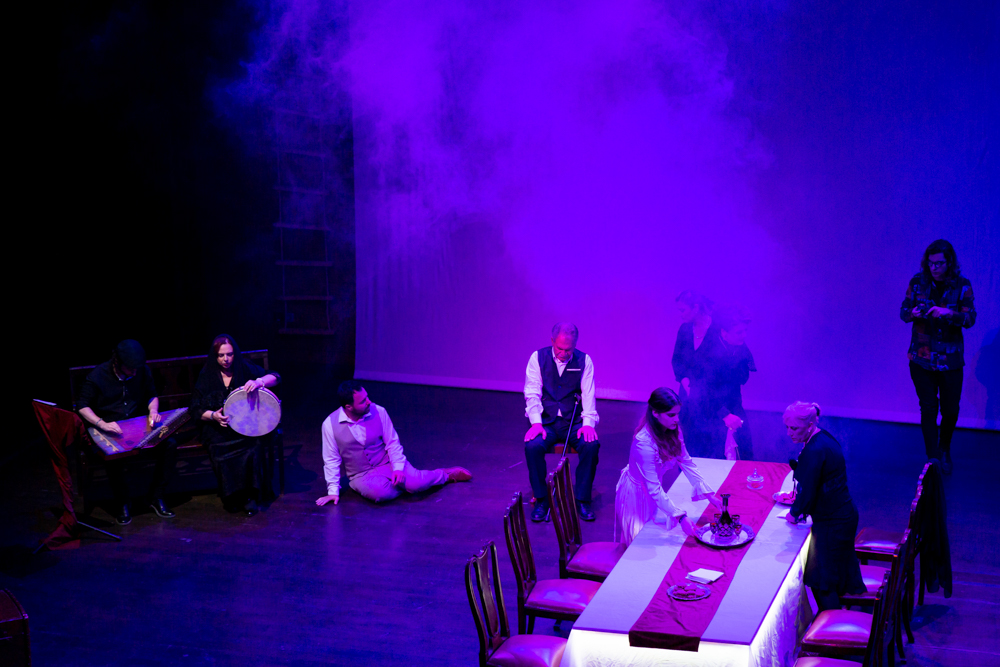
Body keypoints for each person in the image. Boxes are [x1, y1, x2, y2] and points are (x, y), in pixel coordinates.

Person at [316, 381, 472, 505]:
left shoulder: (379, 411)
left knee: (416, 483)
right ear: (349, 407)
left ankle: (444, 475)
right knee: (380, 495)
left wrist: (397, 468)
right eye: (363, 401)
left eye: (367, 397)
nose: (369, 402)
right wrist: (333, 492)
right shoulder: (330, 425)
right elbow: (331, 459)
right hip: (361, 475)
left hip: (387, 463)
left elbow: (392, 443)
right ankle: (409, 486)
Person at [77, 339, 179, 525]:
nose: (135, 372)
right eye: (131, 368)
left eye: (137, 368)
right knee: (114, 454)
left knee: (169, 445)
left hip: (137, 426)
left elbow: (151, 394)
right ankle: (123, 502)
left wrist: (153, 411)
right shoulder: (98, 375)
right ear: (118, 362)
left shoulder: (141, 370)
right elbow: (82, 406)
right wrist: (102, 424)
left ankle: (155, 496)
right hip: (110, 428)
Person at [900, 239, 976, 474]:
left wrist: (949, 313)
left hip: (950, 361)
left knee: (950, 410)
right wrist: (912, 313)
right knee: (928, 408)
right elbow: (903, 311)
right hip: (921, 358)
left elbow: (970, 319)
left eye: (939, 263)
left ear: (949, 262)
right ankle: (932, 457)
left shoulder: (962, 285)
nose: (934, 268)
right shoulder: (917, 282)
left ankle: (944, 448)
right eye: (931, 263)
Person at [783, 401, 865, 612]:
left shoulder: (815, 449)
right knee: (828, 577)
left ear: (810, 425)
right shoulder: (822, 437)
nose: (789, 433)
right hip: (841, 514)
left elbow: (809, 491)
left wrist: (793, 513)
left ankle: (834, 626)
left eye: (794, 428)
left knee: (822, 582)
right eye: (787, 427)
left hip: (834, 521)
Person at [614, 388, 721, 546]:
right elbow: (653, 489)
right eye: (671, 415)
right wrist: (681, 517)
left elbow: (686, 462)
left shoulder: (673, 430)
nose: (676, 419)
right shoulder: (643, 443)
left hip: (652, 490)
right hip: (635, 497)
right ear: (655, 413)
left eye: (677, 414)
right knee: (639, 545)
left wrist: (709, 494)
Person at [189, 334, 280, 516]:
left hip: (245, 427)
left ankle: (250, 496)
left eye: (229, 354)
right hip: (218, 428)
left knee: (253, 446)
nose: (226, 359)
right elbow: (195, 408)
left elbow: (276, 377)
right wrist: (213, 416)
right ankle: (232, 496)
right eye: (221, 355)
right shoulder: (207, 374)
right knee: (219, 449)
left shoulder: (243, 368)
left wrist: (258, 382)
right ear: (215, 356)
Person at [523, 322, 600, 522]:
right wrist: (536, 423)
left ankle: (582, 499)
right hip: (546, 422)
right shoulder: (537, 358)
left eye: (568, 350)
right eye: (560, 349)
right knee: (532, 446)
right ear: (552, 341)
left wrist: (588, 425)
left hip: (573, 422)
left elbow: (588, 394)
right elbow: (532, 392)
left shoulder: (584, 360)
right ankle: (541, 499)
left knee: (591, 445)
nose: (564, 354)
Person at [684, 304, 756, 460]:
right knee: (712, 456)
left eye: (745, 331)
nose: (744, 335)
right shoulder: (707, 354)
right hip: (707, 411)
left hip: (733, 406)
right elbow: (702, 391)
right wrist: (724, 415)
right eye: (739, 332)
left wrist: (732, 413)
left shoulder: (740, 348)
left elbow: (738, 382)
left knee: (744, 453)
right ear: (724, 333)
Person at [672, 291, 714, 446]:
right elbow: (676, 359)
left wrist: (701, 387)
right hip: (687, 392)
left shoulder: (716, 329)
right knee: (687, 436)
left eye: (683, 310)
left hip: (711, 395)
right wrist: (684, 381)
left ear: (695, 308)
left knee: (708, 438)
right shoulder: (684, 329)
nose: (681, 314)